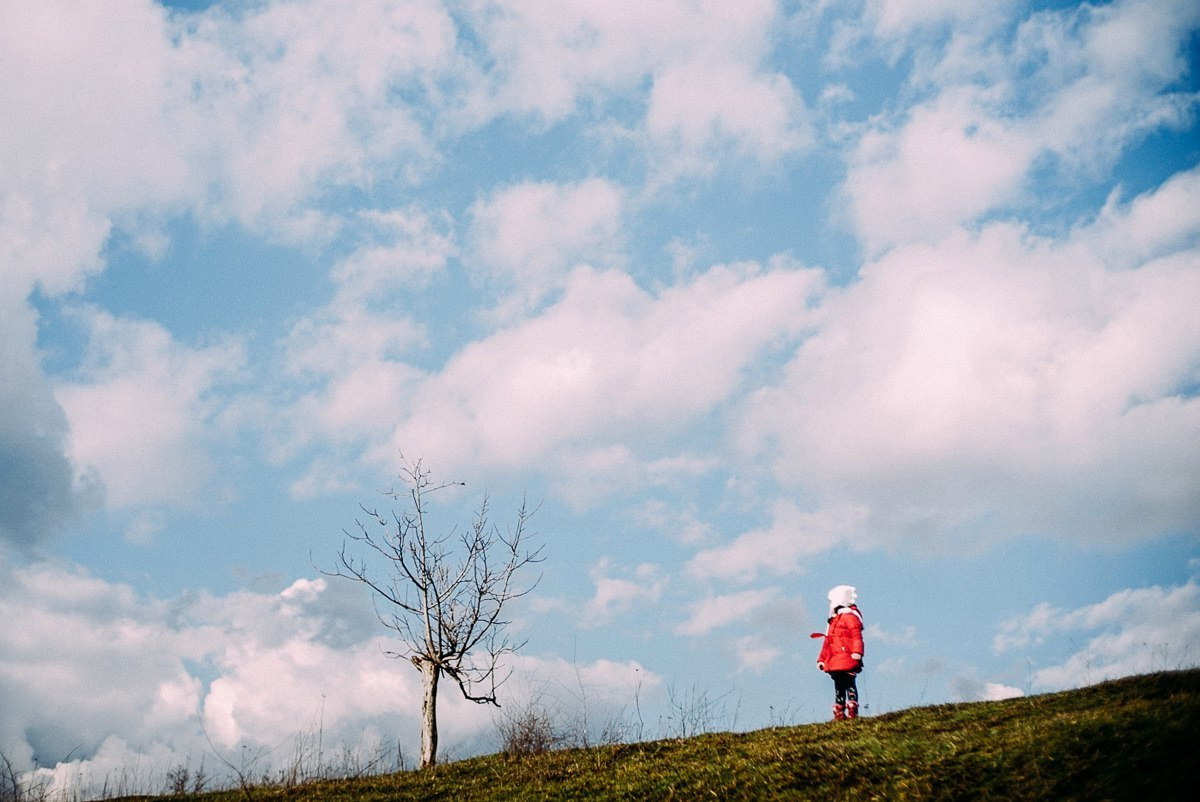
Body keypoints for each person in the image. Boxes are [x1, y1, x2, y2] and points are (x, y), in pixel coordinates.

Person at [816, 584, 864, 720]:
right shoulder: (835, 620)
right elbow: (828, 642)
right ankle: (844, 708)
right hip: (838, 659)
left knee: (846, 683)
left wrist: (857, 652)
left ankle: (844, 708)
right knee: (843, 683)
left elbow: (856, 636)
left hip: (844, 658)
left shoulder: (845, 618)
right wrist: (822, 659)